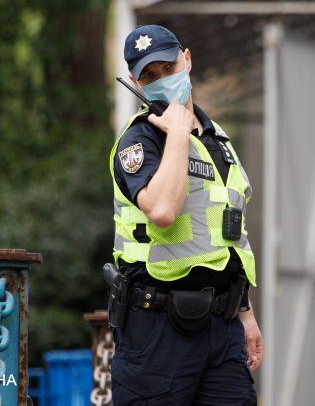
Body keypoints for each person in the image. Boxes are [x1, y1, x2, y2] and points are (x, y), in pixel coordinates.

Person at [108, 24, 263, 405]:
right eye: (150, 75)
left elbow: (229, 233)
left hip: (221, 326)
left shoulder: (218, 140)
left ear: (187, 60)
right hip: (157, 330)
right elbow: (162, 210)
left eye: (168, 66)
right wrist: (177, 135)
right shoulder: (140, 141)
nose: (163, 80)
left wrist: (245, 312)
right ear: (136, 83)